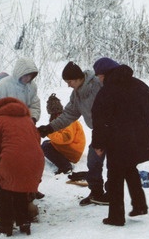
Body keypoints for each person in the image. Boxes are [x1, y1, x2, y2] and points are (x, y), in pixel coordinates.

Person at [90, 57, 149, 227]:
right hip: (137, 139)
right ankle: (140, 205)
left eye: (100, 76)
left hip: (117, 140)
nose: (99, 80)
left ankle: (116, 217)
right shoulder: (138, 84)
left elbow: (99, 119)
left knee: (114, 176)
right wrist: (143, 126)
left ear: (106, 74)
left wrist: (98, 145)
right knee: (129, 168)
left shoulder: (108, 91)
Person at [37, 61, 108, 206]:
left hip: (113, 129)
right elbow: (68, 114)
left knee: (115, 165)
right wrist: (50, 128)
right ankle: (96, 193)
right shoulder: (76, 94)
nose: (68, 85)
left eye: (69, 81)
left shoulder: (97, 85)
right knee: (93, 161)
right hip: (98, 132)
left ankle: (113, 195)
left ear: (78, 78)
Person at [0, 97, 45, 236]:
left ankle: (6, 226)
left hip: (11, 159)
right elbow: (36, 140)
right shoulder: (27, 120)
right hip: (35, 159)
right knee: (21, 188)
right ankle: (24, 222)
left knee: (4, 189)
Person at [40, 93, 86, 176]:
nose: (55, 116)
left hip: (74, 150)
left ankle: (66, 167)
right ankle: (63, 161)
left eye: (56, 113)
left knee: (46, 147)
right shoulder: (62, 118)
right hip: (72, 148)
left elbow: (66, 138)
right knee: (46, 143)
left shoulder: (67, 120)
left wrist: (48, 133)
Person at [0, 58, 41, 122]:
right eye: (26, 75)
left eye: (30, 76)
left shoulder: (32, 86)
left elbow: (34, 105)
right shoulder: (3, 85)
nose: (28, 78)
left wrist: (33, 118)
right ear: (20, 73)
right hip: (5, 124)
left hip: (25, 124)